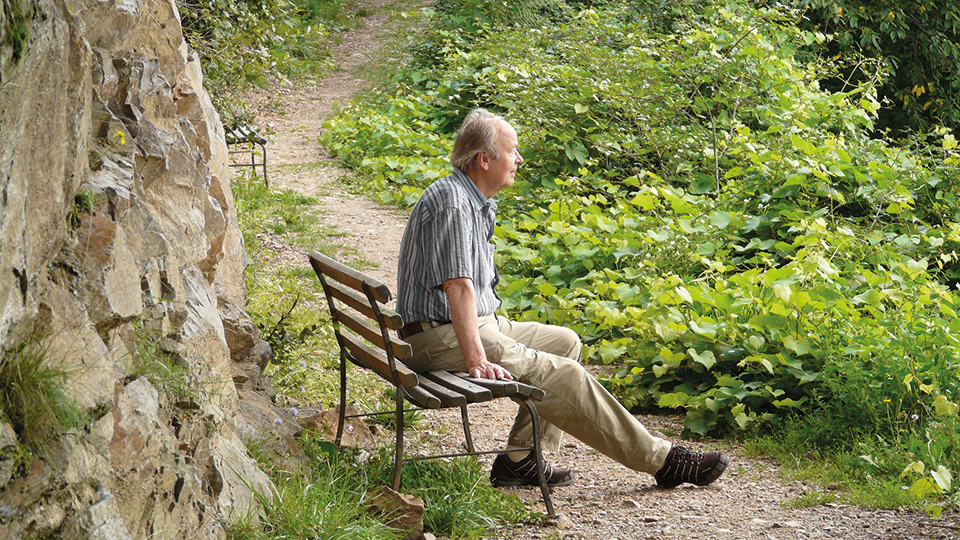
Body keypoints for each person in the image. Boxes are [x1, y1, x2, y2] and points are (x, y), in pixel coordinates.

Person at [395, 107, 729, 489]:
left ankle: (519, 460)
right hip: (438, 335)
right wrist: (476, 358)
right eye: (512, 150)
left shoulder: (470, 198)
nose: (519, 159)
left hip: (461, 324)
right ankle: (661, 459)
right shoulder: (454, 203)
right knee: (563, 374)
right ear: (484, 159)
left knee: (566, 342)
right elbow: (458, 287)